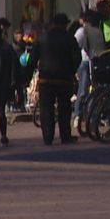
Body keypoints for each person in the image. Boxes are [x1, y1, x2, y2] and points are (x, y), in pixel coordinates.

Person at [25, 13, 82, 145]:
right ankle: (65, 136)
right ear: (65, 24)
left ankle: (48, 136)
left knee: (46, 109)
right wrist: (71, 70)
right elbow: (77, 58)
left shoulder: (42, 38)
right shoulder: (69, 38)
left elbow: (32, 59)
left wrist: (26, 76)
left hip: (46, 79)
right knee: (64, 108)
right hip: (64, 79)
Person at [73, 10, 107, 125]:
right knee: (91, 90)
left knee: (83, 90)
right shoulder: (97, 31)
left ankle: (79, 115)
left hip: (86, 62)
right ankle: (89, 116)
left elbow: (75, 46)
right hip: (95, 62)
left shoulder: (82, 31)